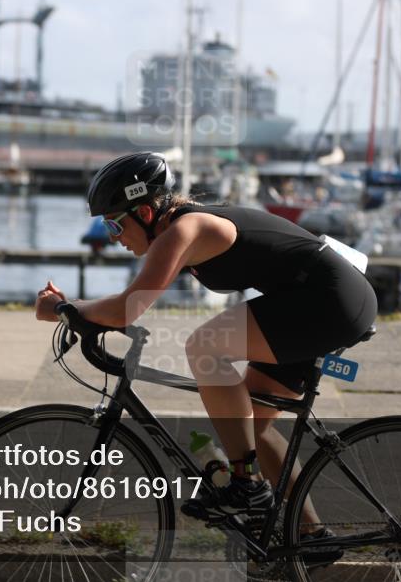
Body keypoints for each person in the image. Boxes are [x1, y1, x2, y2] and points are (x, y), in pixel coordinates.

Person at [34, 152, 378, 522]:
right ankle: (310, 534)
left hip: (329, 300)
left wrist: (62, 309)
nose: (113, 238)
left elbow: (126, 310)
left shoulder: (184, 230)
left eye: (114, 225)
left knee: (204, 346)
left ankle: (247, 484)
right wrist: (76, 310)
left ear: (144, 212)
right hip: (315, 300)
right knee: (253, 431)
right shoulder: (181, 227)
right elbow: (125, 307)